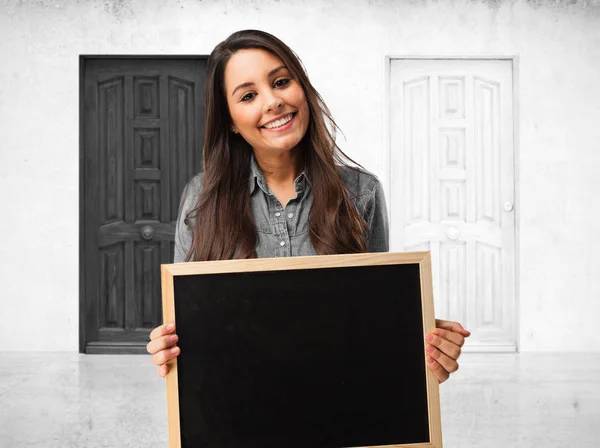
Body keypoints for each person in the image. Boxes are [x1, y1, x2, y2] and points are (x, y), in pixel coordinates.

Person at [146, 29, 470, 384]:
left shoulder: (362, 193)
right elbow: (186, 332)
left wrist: (424, 350)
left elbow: (374, 323)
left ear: (303, 88)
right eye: (249, 95)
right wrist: (169, 349)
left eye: (281, 81)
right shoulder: (201, 198)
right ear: (231, 123)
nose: (272, 102)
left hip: (336, 410)